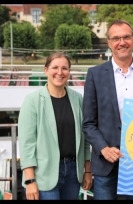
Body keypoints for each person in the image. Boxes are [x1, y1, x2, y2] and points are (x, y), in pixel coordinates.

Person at [82, 19, 133, 200]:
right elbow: (88, 123)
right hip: (105, 162)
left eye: (126, 37)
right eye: (116, 38)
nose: (122, 42)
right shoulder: (95, 74)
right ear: (109, 42)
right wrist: (103, 148)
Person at [18, 52, 92, 200]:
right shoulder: (32, 100)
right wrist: (30, 180)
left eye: (64, 68)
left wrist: (87, 171)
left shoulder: (77, 99)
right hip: (43, 174)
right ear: (46, 70)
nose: (60, 72)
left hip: (73, 173)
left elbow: (84, 140)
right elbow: (27, 144)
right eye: (55, 68)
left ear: (69, 72)